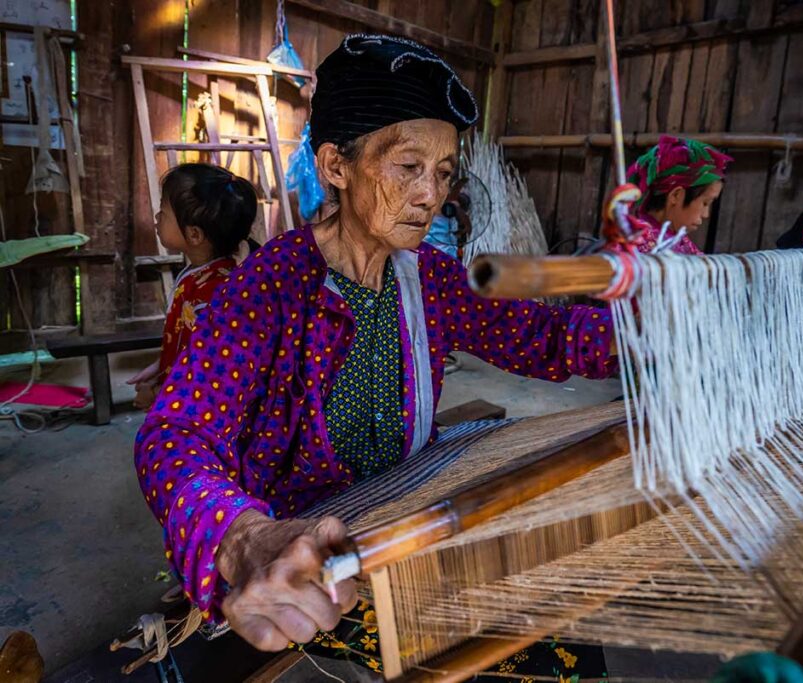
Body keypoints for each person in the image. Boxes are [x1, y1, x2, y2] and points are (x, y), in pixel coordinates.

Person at [133, 35, 618, 678]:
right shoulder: (268, 290)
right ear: (336, 164)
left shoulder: (429, 279)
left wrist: (658, 328)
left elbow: (545, 337)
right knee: (534, 656)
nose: (431, 195)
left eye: (444, 174)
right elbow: (172, 433)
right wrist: (245, 536)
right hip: (315, 551)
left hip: (405, 509)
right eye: (408, 167)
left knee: (557, 614)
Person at [127, 164, 258, 410]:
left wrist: (157, 394)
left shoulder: (214, 294)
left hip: (194, 409)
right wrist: (161, 365)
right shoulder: (198, 276)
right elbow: (186, 342)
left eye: (163, 212)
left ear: (194, 235)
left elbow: (204, 369)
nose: (157, 217)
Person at [626, 135, 733, 254]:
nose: (706, 214)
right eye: (705, 203)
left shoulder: (677, 240)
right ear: (676, 195)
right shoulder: (638, 245)